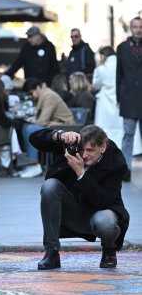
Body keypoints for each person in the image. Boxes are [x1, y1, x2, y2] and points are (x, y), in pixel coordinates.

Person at [29, 125, 129, 270]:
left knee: (105, 221)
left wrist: (81, 174)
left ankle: (109, 250)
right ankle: (51, 253)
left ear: (103, 147)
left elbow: (104, 201)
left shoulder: (116, 161)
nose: (84, 155)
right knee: (50, 186)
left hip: (99, 212)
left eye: (90, 150)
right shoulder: (73, 147)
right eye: (82, 149)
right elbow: (33, 138)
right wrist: (58, 135)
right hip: (73, 209)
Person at [19, 78, 74, 178]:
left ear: (39, 88)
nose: (31, 97)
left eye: (31, 93)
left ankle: (34, 164)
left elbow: (42, 121)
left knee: (31, 129)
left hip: (65, 127)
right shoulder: (43, 96)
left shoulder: (49, 96)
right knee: (26, 128)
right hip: (55, 125)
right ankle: (31, 162)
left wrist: (34, 120)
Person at [116, 16, 142, 182]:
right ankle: (126, 169)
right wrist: (119, 97)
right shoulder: (122, 47)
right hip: (128, 98)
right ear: (131, 28)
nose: (138, 30)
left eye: (140, 27)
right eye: (135, 27)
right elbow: (119, 74)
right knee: (128, 134)